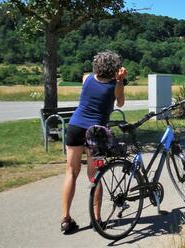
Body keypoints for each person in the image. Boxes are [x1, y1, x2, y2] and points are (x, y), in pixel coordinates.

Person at [61, 51, 127, 234]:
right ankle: (96, 219)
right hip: (95, 133)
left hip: (75, 126)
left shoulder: (86, 79)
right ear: (114, 68)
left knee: (71, 172)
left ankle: (66, 219)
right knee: (95, 176)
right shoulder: (115, 85)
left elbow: (88, 78)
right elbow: (120, 103)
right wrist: (120, 80)